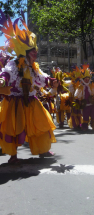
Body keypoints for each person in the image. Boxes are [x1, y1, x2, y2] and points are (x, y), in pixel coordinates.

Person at [0, 10, 58, 163]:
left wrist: (50, 80)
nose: (35, 54)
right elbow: (7, 73)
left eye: (35, 51)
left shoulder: (33, 67)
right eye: (33, 52)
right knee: (14, 128)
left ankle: (43, 150)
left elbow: (40, 77)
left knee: (41, 124)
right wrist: (2, 79)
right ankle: (13, 156)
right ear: (24, 52)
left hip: (31, 100)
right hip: (15, 102)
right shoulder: (14, 64)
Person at [74, 64, 94, 131]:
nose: (87, 80)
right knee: (85, 116)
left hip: (92, 104)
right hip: (85, 105)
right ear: (83, 79)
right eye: (85, 79)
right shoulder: (80, 86)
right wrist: (78, 100)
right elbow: (77, 95)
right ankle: (85, 126)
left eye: (88, 79)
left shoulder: (92, 85)